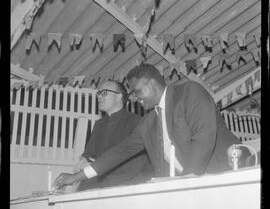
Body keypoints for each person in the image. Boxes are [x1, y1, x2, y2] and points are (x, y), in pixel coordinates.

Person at [53, 63, 244, 189]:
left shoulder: (189, 92)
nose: (134, 98)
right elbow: (120, 152)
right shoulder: (148, 123)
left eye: (136, 91)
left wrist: (185, 185)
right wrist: (77, 177)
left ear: (151, 83)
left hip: (228, 179)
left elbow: (203, 138)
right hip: (188, 187)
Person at [59, 80, 153, 191]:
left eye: (104, 93)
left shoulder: (137, 122)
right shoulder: (99, 124)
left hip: (126, 183)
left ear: (119, 97)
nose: (99, 97)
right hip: (98, 180)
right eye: (98, 93)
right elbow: (90, 153)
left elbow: (133, 161)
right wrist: (84, 159)